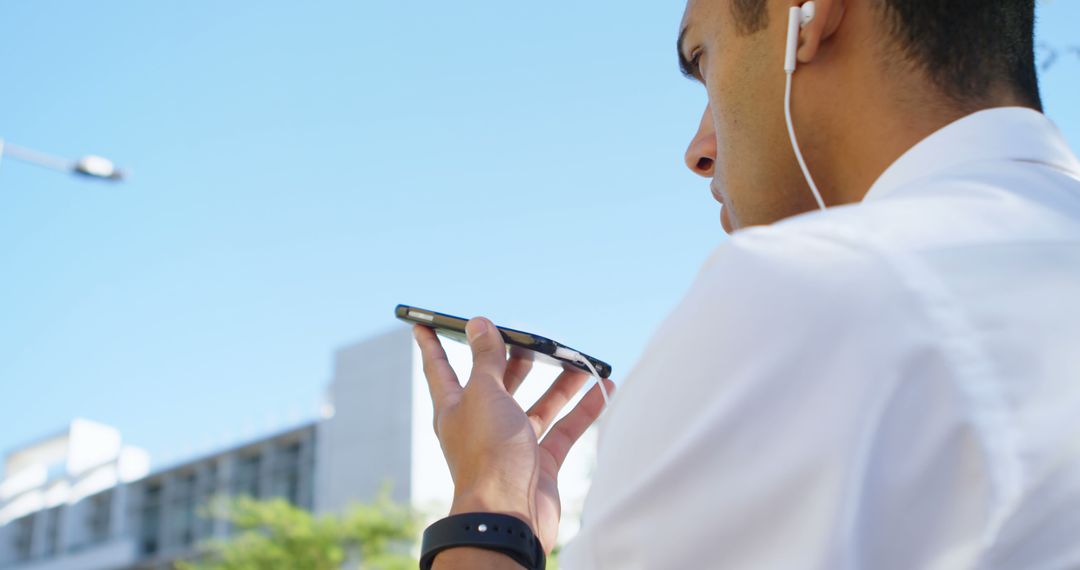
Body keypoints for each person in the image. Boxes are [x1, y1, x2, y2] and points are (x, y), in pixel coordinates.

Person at [413, 0, 1080, 568]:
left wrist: (487, 512)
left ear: (808, 17)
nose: (698, 149)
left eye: (704, 59)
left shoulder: (807, 291)